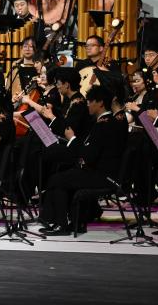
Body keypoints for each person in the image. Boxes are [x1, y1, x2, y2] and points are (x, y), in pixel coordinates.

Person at [39, 86, 128, 235]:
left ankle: (61, 224)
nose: (87, 104)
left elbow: (89, 156)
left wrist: (72, 138)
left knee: (57, 179)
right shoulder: (108, 121)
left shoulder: (104, 124)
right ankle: (76, 222)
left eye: (90, 101)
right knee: (65, 173)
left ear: (100, 103)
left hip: (103, 175)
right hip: (104, 172)